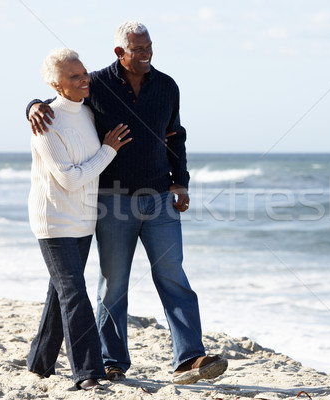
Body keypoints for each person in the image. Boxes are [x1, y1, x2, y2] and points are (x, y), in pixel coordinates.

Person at [27, 21, 228, 385]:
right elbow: (63, 99)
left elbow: (175, 136)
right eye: (138, 48)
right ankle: (112, 360)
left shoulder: (167, 86)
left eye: (149, 45)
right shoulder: (96, 84)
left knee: (173, 277)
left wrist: (180, 181)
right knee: (114, 284)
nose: (147, 53)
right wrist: (32, 105)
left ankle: (189, 358)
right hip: (112, 203)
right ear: (120, 52)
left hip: (160, 200)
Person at [27, 48, 131, 390]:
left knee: (61, 292)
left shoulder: (88, 112)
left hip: (83, 220)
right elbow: (69, 178)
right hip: (54, 219)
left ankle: (39, 362)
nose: (84, 78)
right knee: (74, 291)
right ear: (57, 85)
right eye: (74, 76)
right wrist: (108, 150)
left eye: (84, 72)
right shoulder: (46, 122)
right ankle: (88, 371)